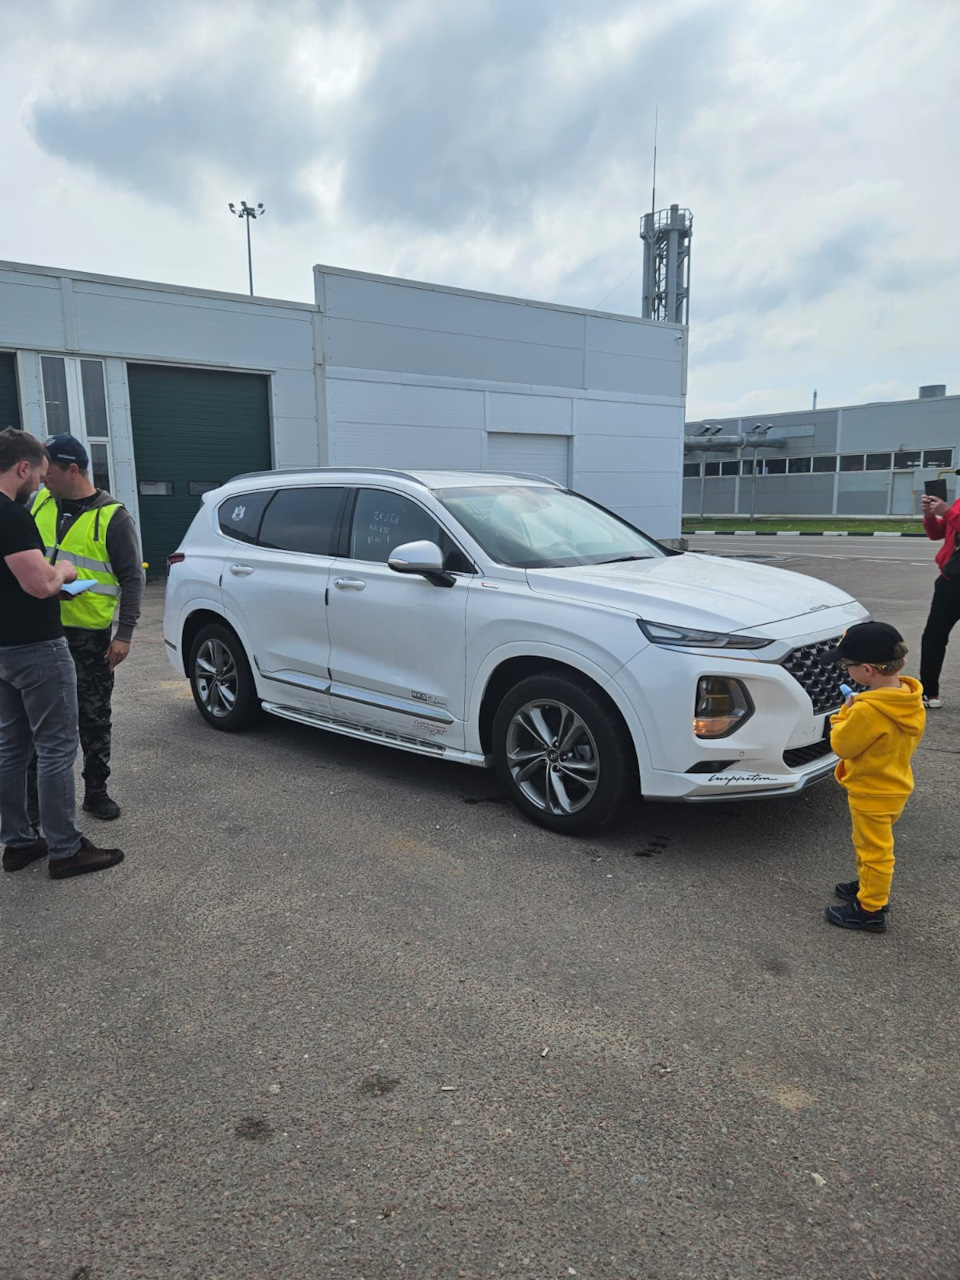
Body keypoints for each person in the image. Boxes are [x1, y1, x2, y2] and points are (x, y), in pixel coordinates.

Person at [0, 428, 124, 878]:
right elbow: (41, 584)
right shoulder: (14, 516)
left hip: (5, 647)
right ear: (22, 467)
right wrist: (63, 570)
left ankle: (17, 842)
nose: (41, 481)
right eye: (38, 471)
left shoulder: (109, 513)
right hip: (37, 647)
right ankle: (66, 849)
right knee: (55, 748)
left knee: (11, 746)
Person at [28, 434, 144, 820]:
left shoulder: (113, 516)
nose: (42, 478)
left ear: (73, 470)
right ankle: (33, 804)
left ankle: (96, 793)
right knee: (35, 721)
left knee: (93, 718)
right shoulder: (40, 502)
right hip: (41, 629)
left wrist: (124, 634)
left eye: (50, 472)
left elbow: (132, 578)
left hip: (88, 638)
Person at [820, 622, 924, 932]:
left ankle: (870, 909)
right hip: (895, 785)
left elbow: (841, 745)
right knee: (869, 843)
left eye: (846, 664)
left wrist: (844, 713)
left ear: (867, 670)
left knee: (874, 850)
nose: (845, 669)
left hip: (871, 792)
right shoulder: (907, 698)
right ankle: (869, 885)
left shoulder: (867, 712)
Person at [918, 488, 960, 710]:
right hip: (950, 583)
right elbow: (937, 534)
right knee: (933, 638)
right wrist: (930, 515)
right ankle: (929, 692)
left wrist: (948, 512)